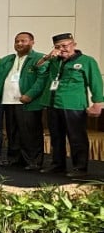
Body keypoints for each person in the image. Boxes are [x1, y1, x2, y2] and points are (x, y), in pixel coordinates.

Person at [39, 33, 104, 178]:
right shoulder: (53, 61)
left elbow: (95, 82)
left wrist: (98, 102)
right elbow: (38, 70)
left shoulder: (87, 61)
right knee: (56, 137)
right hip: (52, 103)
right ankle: (57, 165)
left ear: (74, 44)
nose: (61, 49)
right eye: (57, 46)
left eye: (65, 45)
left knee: (76, 137)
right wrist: (47, 57)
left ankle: (80, 167)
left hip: (73, 105)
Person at [0, 32, 48, 170]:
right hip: (8, 101)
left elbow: (42, 79)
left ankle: (33, 161)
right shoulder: (8, 59)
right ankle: (14, 159)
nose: (19, 43)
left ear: (32, 42)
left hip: (28, 102)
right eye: (17, 41)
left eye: (23, 41)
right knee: (13, 133)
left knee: (30, 133)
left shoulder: (39, 58)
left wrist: (30, 95)